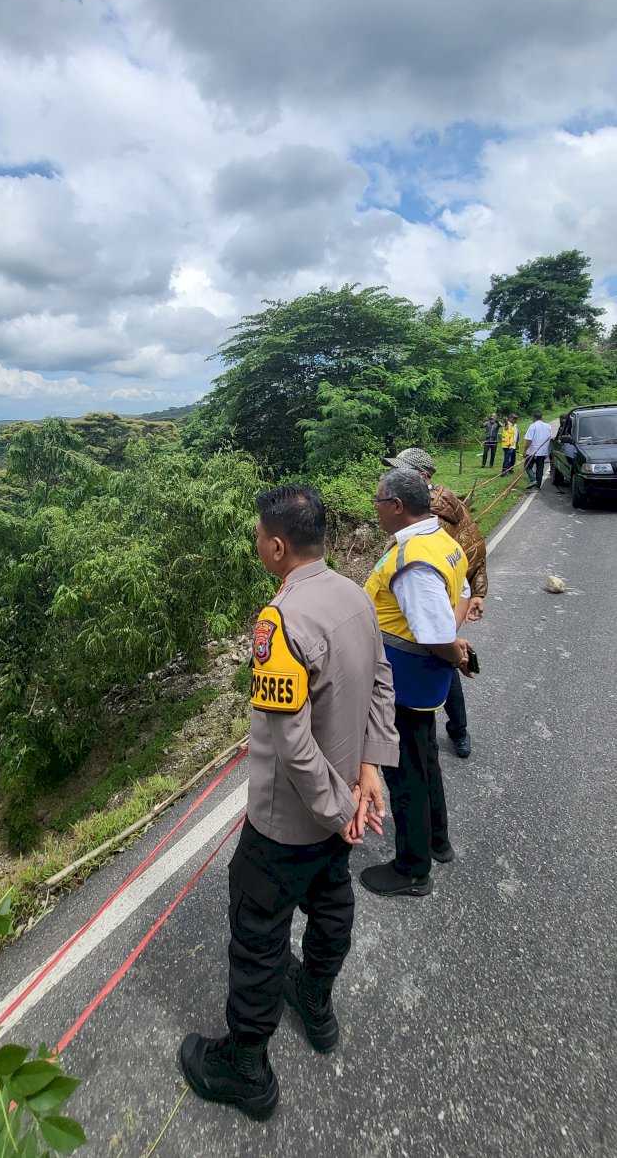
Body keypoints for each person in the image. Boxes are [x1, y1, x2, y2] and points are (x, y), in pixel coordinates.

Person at [180, 485, 399, 1121]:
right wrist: (369, 773)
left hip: (287, 822)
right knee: (332, 904)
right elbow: (381, 682)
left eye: (258, 537)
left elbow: (292, 742)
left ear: (276, 547)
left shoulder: (279, 622)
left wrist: (340, 807)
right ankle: (317, 1007)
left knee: (257, 936)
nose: (256, 545)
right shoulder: (356, 596)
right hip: (341, 811)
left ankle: (246, 1068)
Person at [361, 469, 474, 898]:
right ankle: (436, 840)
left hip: (402, 684)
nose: (375, 510)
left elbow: (434, 633)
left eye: (377, 502)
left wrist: (455, 652)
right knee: (426, 760)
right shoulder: (442, 543)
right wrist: (452, 642)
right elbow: (461, 593)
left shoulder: (413, 561)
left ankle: (412, 868)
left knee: (404, 772)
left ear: (396, 507)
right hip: (421, 685)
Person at [383, 448, 486, 758]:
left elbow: (472, 547)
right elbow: (474, 545)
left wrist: (472, 596)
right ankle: (458, 729)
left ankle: (456, 730)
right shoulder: (442, 502)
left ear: (422, 477)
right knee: (446, 658)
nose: (390, 478)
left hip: (432, 613)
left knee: (446, 659)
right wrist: (477, 590)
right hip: (440, 605)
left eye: (399, 471)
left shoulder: (430, 518)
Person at [523, 411, 552, 489]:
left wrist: (525, 451)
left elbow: (529, 440)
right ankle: (538, 486)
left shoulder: (533, 426)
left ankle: (533, 479)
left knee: (527, 466)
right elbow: (550, 438)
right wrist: (548, 451)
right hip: (543, 451)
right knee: (540, 469)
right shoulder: (548, 426)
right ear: (541, 417)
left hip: (533, 451)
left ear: (534, 418)